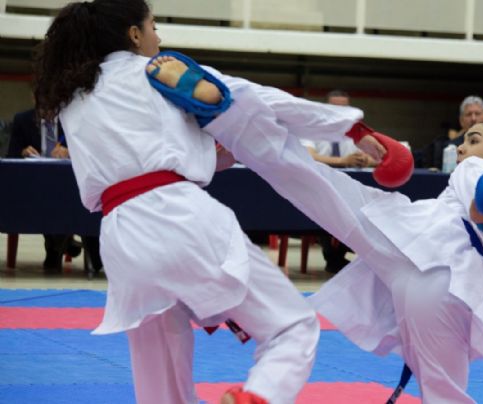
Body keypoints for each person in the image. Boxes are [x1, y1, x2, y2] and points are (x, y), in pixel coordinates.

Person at [144, 56, 483, 402]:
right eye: (464, 141)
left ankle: (235, 127)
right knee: (445, 392)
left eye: (473, 140)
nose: (462, 147)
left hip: (422, 259)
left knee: (313, 183)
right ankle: (236, 131)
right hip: (444, 292)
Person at [33, 1, 320, 403]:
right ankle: (260, 394)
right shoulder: (161, 73)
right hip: (181, 217)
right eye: (153, 25)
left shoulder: (73, 97)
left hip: (122, 237)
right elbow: (222, 126)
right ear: (133, 34)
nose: (159, 36)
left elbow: (154, 154)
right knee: (292, 325)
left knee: (161, 386)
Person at [6, 107, 104, 273]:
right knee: (51, 195)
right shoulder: (23, 120)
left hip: (74, 184)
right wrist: (23, 152)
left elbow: (95, 151)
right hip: (36, 187)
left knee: (72, 196)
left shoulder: (74, 119)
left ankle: (72, 245)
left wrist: (71, 151)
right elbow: (10, 157)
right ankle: (59, 245)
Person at [300, 90, 376, 273]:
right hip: (317, 187)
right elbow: (309, 156)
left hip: (348, 186)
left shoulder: (355, 131)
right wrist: (343, 161)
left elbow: (378, 157)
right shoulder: (311, 128)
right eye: (335, 107)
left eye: (344, 107)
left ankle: (341, 257)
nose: (340, 112)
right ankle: (333, 257)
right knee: (329, 208)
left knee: (360, 210)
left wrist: (366, 160)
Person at [418, 95, 483, 169]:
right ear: (461, 120)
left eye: (477, 114)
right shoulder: (450, 148)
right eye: (468, 114)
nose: (473, 118)